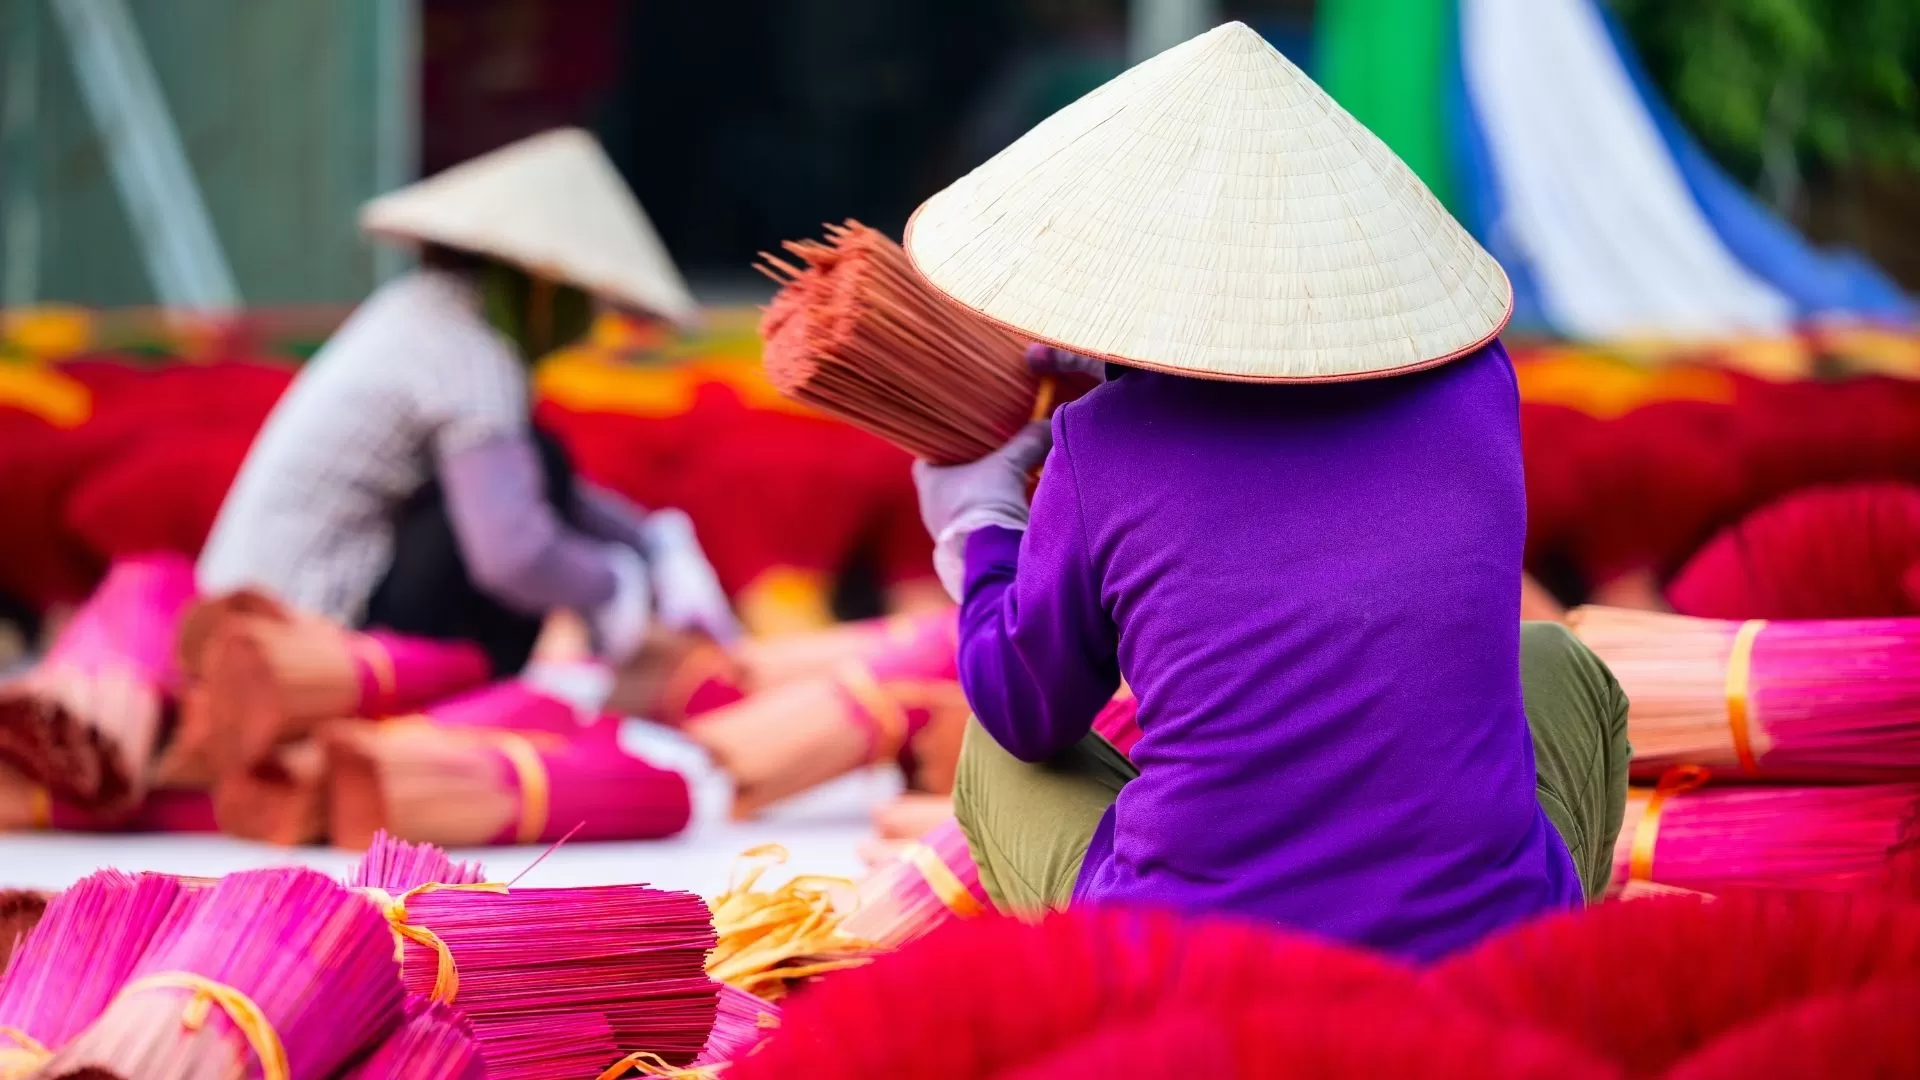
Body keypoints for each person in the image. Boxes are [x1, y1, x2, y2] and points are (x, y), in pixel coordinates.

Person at [908, 23, 1629, 961]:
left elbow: (1025, 707)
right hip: (1478, 946)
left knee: (993, 756)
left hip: (1202, 961)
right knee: (1559, 663)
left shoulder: (1105, 447)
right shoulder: (1479, 387)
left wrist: (982, 524)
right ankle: (1554, 959)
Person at [198, 129, 738, 677]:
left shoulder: (417, 311)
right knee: (541, 463)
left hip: (250, 616)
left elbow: (516, 484)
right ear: (543, 286)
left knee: (533, 464)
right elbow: (512, 554)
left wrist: (654, 546)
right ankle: (453, 690)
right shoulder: (470, 351)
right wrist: (612, 584)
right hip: (304, 635)